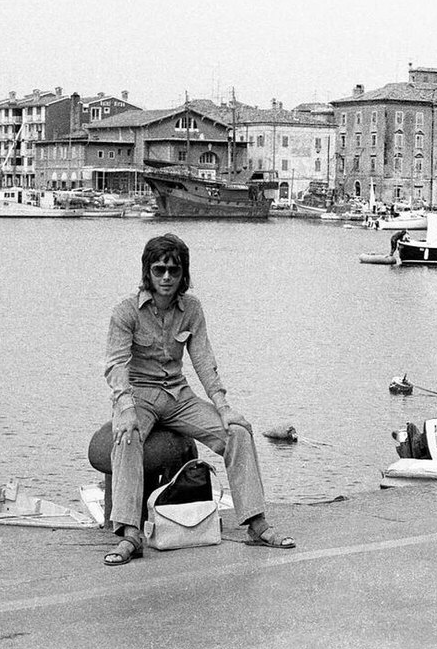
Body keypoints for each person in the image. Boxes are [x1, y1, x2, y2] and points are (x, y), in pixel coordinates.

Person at [102, 233, 295, 565]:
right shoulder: (125, 312)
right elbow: (116, 365)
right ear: (147, 272)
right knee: (127, 438)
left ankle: (256, 523)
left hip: (179, 395)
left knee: (237, 433)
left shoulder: (192, 309)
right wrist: (124, 408)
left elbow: (203, 359)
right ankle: (129, 534)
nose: (166, 278)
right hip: (139, 396)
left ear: (183, 275)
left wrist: (223, 406)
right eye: (159, 270)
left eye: (173, 271)